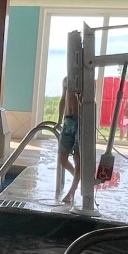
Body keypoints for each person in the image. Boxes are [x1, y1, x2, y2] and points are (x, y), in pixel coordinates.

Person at [57, 76, 81, 204]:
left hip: (81, 120)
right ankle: (77, 177)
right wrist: (59, 120)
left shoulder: (85, 78)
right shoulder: (66, 79)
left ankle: (72, 191)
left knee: (77, 157)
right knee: (62, 159)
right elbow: (63, 99)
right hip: (67, 120)